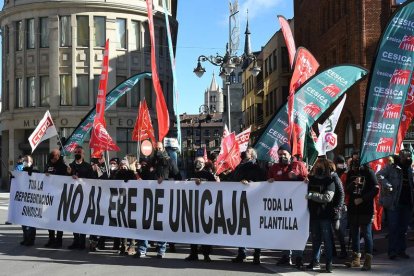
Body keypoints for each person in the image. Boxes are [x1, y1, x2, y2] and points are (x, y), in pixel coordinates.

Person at [136, 142, 182, 259]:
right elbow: (144, 177)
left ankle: (161, 249)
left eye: (159, 148)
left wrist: (165, 182)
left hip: (163, 197)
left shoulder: (170, 161)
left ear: (164, 149)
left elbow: (178, 178)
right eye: (156, 148)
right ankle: (142, 249)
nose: (158, 150)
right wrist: (139, 170)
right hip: (149, 197)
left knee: (161, 224)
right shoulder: (150, 162)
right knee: (145, 223)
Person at [267, 143, 308, 268]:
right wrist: (269, 181)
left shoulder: (298, 165)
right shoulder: (274, 167)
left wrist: (302, 179)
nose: (281, 156)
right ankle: (286, 256)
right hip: (281, 206)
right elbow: (268, 181)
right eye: (279, 155)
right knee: (284, 231)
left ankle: (298, 257)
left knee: (296, 232)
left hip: (297, 205)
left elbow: (307, 179)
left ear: (290, 154)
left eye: (284, 154)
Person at [231, 147, 267, 265]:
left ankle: (257, 254)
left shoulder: (257, 168)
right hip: (241, 201)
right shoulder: (240, 166)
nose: (244, 152)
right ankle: (242, 252)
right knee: (242, 228)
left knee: (256, 229)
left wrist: (251, 184)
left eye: (247, 151)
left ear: (252, 156)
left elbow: (263, 182)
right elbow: (232, 179)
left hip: (255, 202)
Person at [377, 149, 414, 261]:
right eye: (407, 157)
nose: (409, 159)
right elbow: (379, 175)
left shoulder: (409, 169)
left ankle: (401, 250)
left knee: (403, 229)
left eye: (410, 157)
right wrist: (388, 186)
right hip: (395, 203)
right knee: (393, 228)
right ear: (401, 157)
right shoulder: (391, 167)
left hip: (407, 203)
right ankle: (392, 251)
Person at [345, 153, 379, 271]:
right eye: (353, 159)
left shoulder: (369, 172)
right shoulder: (351, 173)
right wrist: (353, 183)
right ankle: (356, 258)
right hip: (353, 208)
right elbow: (347, 189)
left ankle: (368, 260)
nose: (355, 161)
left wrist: (363, 198)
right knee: (354, 233)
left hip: (365, 208)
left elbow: (376, 188)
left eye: (357, 159)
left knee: (367, 233)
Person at [305, 158, 335, 273]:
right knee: (315, 240)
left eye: (320, 165)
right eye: (317, 164)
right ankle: (315, 260)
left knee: (327, 240)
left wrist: (312, 195)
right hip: (313, 215)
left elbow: (327, 197)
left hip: (325, 216)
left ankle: (328, 263)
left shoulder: (330, 181)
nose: (318, 166)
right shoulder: (310, 179)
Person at [185, 157, 216, 262]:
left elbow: (215, 188)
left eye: (201, 162)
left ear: (204, 164)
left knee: (204, 232)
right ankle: (193, 254)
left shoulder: (208, 175)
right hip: (192, 206)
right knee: (192, 231)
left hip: (205, 207)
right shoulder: (190, 174)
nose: (199, 163)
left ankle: (206, 254)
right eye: (197, 161)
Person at [67, 146, 95, 250]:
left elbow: (92, 180)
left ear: (83, 154)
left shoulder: (88, 166)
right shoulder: (70, 166)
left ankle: (82, 241)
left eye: (79, 152)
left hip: (84, 196)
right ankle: (75, 240)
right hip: (73, 196)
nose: (77, 153)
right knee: (74, 218)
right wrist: (69, 173)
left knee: (82, 219)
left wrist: (80, 180)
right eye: (76, 152)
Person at [44, 149, 69, 248]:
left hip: (59, 196)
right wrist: (45, 173)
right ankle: (51, 239)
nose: (52, 159)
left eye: (54, 157)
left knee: (58, 220)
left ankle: (59, 240)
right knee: (49, 219)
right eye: (51, 157)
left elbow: (66, 178)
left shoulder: (63, 166)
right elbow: (44, 173)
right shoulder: (48, 164)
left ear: (58, 156)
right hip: (50, 196)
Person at [114, 160, 138, 255]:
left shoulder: (132, 175)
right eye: (121, 166)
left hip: (131, 203)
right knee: (122, 225)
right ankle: (123, 245)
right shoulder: (116, 175)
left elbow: (138, 184)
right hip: (120, 202)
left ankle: (132, 246)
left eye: (125, 166)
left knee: (131, 225)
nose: (123, 168)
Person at [328, 159, 347, 259]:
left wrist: (338, 207)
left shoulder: (335, 177)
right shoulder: (331, 176)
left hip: (335, 208)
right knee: (331, 231)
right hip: (331, 208)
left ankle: (343, 251)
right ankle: (334, 250)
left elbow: (341, 192)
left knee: (337, 230)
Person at [19, 155, 38, 246]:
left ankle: (31, 239)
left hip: (32, 200)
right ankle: (25, 238)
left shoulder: (35, 170)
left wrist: (31, 172)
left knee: (31, 221)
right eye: (24, 160)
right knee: (24, 221)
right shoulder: (22, 171)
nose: (25, 161)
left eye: (27, 160)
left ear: (31, 162)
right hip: (24, 199)